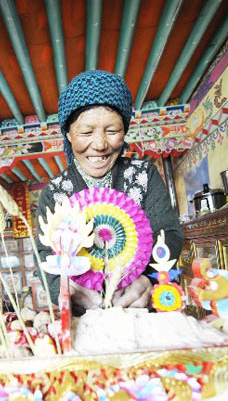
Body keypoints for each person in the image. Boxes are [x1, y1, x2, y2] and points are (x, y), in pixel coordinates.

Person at [36, 70, 183, 315]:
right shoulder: (54, 194)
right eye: (86, 132)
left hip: (140, 309)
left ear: (125, 130)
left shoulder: (144, 176)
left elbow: (169, 234)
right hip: (85, 317)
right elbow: (45, 259)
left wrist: (150, 279)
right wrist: (66, 290)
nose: (100, 144)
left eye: (112, 130)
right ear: (68, 134)